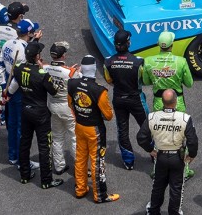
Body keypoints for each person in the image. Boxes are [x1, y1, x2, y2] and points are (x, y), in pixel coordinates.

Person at [6, 41, 63, 189]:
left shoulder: (18, 68)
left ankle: (24, 175)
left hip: (25, 110)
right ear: (37, 56)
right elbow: (54, 91)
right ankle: (46, 180)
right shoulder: (42, 73)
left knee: (25, 143)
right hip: (40, 114)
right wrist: (43, 68)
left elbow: (12, 89)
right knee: (44, 146)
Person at [138, 89, 199, 215]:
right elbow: (192, 141)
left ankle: (153, 210)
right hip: (177, 158)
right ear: (176, 101)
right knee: (176, 188)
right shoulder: (184, 118)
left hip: (160, 156)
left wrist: (150, 150)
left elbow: (141, 138)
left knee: (158, 186)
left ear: (162, 102)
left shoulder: (152, 117)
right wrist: (191, 155)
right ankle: (174, 212)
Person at [67, 54, 119, 202]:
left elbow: (70, 104)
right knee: (97, 162)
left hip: (79, 126)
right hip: (94, 130)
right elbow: (108, 115)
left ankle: (81, 189)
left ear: (82, 69)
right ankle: (100, 195)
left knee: (80, 159)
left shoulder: (72, 84)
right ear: (94, 70)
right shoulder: (99, 90)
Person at [104, 29, 147, 171]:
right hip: (136, 99)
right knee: (147, 126)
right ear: (128, 43)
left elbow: (109, 81)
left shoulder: (108, 61)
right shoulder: (139, 61)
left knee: (122, 130)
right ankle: (155, 154)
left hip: (118, 99)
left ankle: (128, 161)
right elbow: (143, 81)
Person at [0, 11, 36, 169]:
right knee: (20, 125)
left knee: (12, 124)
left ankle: (13, 155)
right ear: (29, 33)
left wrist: (2, 86)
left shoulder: (8, 43)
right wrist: (9, 92)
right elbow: (19, 78)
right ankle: (22, 160)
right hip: (17, 89)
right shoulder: (24, 52)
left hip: (6, 82)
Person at [44, 42, 80, 176]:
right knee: (74, 137)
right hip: (67, 107)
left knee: (57, 137)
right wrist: (78, 72)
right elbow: (78, 82)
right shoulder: (70, 72)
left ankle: (59, 166)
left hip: (52, 106)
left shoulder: (45, 68)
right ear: (63, 55)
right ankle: (80, 166)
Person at [143, 31, 194, 113]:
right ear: (172, 45)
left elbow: (146, 82)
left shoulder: (148, 61)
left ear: (158, 44)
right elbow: (189, 84)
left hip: (158, 104)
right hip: (177, 103)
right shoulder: (181, 61)